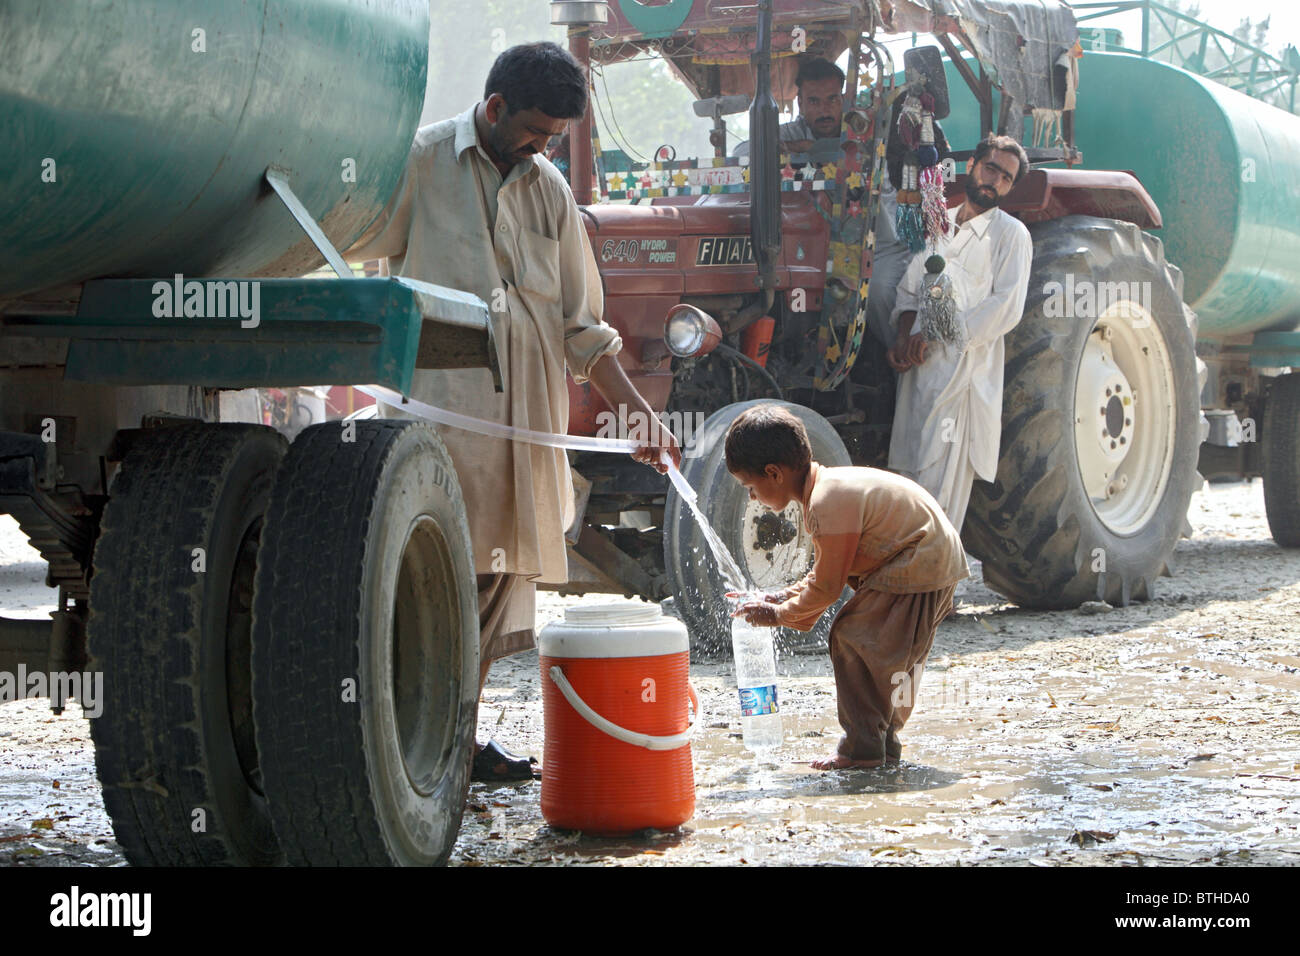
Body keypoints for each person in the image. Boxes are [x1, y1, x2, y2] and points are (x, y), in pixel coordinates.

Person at [347, 42, 681, 780]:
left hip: (525, 432)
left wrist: (638, 419)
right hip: (440, 426)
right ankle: (405, 748)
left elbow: (583, 330)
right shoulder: (420, 162)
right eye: (534, 131)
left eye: (554, 139)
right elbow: (365, 270)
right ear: (495, 109)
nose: (541, 147)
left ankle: (454, 744)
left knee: (496, 585)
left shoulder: (549, 189)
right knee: (429, 580)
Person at [727, 405, 968, 769]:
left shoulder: (826, 501)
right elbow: (825, 577)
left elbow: (826, 589)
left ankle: (863, 749)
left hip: (919, 559)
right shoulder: (827, 489)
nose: (752, 498)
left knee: (853, 639)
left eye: (750, 487)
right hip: (927, 560)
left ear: (773, 473)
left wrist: (776, 615)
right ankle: (878, 743)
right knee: (884, 654)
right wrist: (779, 597)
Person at [886, 133, 1033, 533]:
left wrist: (933, 334)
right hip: (918, 374)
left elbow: (1004, 307)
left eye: (1006, 177)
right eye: (991, 168)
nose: (995, 181)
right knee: (908, 479)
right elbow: (908, 292)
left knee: (941, 491)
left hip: (961, 380)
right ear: (972, 166)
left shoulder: (1012, 236)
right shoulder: (940, 225)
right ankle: (911, 590)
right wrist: (903, 339)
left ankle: (937, 589)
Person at [733, 58, 845, 156]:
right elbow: (740, 153)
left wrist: (816, 148)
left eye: (832, 100)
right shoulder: (791, 134)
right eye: (814, 101)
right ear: (800, 104)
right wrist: (797, 146)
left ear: (843, 100)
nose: (824, 111)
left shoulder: (857, 132)